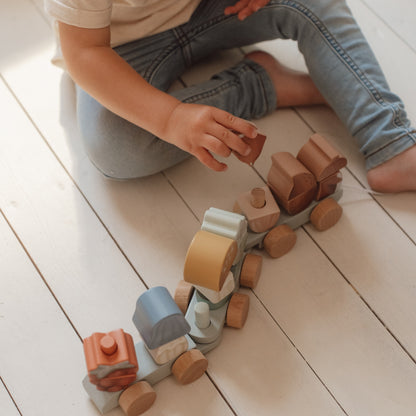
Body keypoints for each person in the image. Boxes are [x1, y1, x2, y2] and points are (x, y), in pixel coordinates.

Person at [45, 0, 416, 193]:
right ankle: (263, 82)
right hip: (117, 47)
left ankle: (391, 142)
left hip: (212, 8)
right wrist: (170, 118)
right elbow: (85, 53)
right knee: (116, 148)